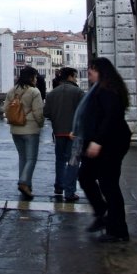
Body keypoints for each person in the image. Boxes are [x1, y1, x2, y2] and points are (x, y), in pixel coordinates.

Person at [77, 57, 132, 242]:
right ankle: (103, 213)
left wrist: (97, 141)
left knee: (108, 184)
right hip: (102, 142)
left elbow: (110, 117)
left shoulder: (107, 91)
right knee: (87, 176)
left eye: (92, 69)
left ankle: (117, 229)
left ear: (101, 71)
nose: (89, 72)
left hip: (110, 143)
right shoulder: (99, 89)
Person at [43, 67, 84, 200]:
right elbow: (84, 111)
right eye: (75, 76)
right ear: (70, 77)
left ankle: (59, 186)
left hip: (58, 132)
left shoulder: (52, 93)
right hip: (74, 132)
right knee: (73, 161)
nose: (76, 79)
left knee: (60, 160)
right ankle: (70, 191)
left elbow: (46, 113)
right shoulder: (78, 92)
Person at [4, 65, 44, 199]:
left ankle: (27, 185)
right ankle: (24, 182)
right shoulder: (34, 91)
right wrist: (40, 124)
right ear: (31, 78)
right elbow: (38, 112)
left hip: (15, 129)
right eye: (35, 77)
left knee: (22, 157)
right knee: (31, 158)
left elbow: (5, 109)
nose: (36, 80)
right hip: (31, 128)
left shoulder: (12, 91)